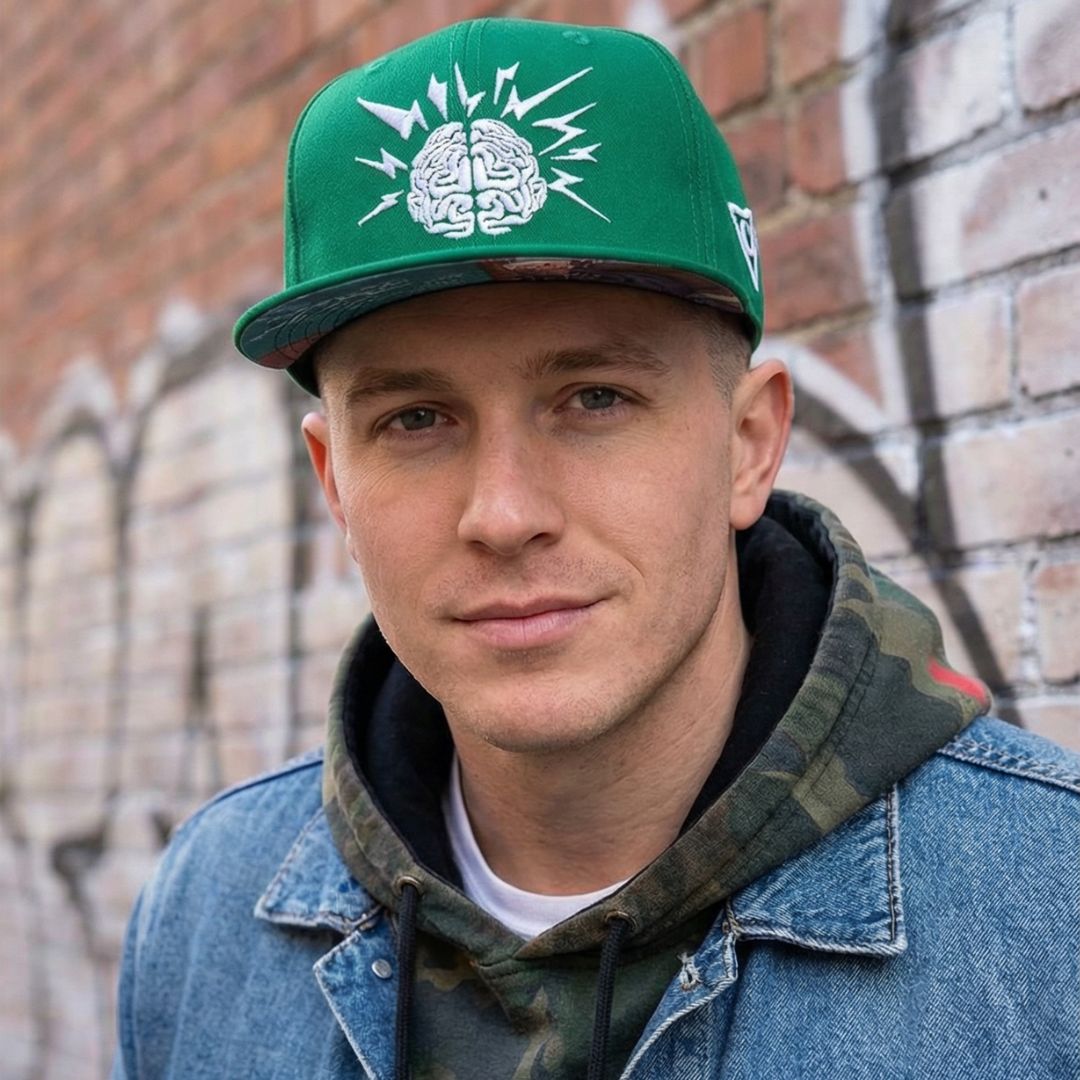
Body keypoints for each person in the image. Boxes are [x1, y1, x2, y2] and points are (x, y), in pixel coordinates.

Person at [112, 17, 1080, 1080]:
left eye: (595, 398)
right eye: (416, 420)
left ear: (748, 445)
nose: (503, 513)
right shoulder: (207, 918)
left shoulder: (1048, 914)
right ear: (335, 482)